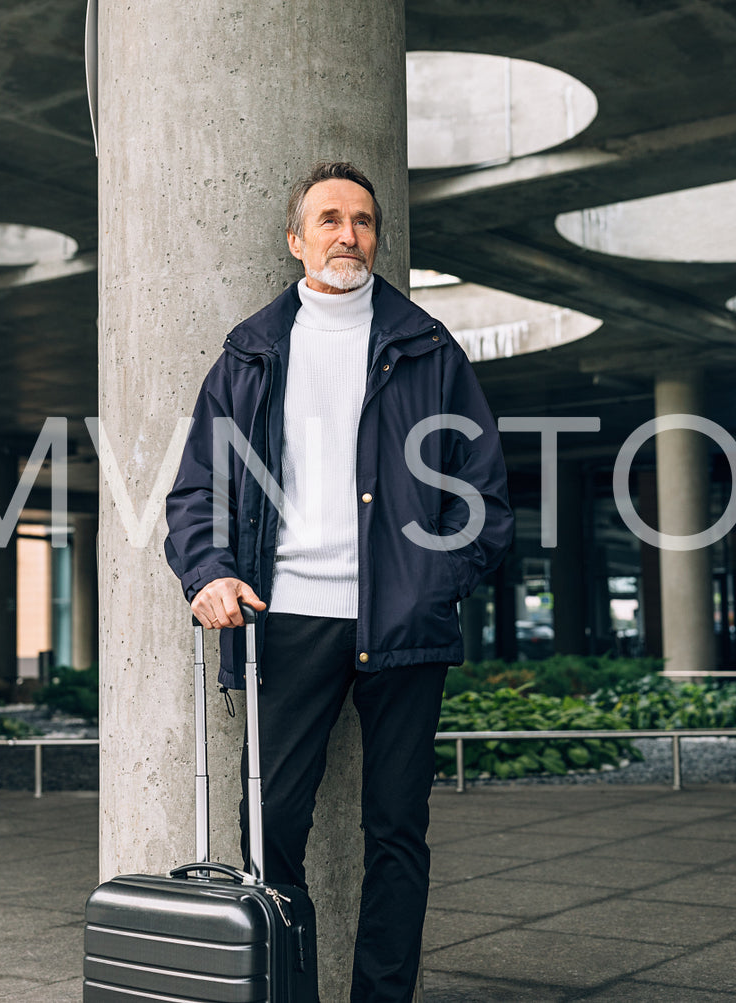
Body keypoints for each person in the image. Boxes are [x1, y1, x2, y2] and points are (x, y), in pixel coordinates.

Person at [164, 161, 513, 1002]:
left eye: (361, 220)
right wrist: (208, 572)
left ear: (376, 240)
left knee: (396, 831)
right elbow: (196, 488)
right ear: (296, 240)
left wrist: (434, 582)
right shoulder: (249, 354)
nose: (345, 234)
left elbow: (484, 495)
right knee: (271, 826)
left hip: (401, 620)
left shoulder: (427, 348)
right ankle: (286, 991)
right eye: (327, 219)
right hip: (282, 621)